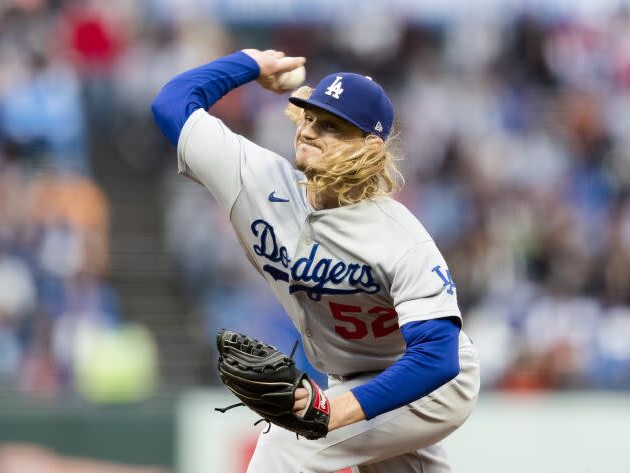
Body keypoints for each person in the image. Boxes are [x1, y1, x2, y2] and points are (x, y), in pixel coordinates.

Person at [151, 49, 480, 473]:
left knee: (288, 441)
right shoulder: (255, 179)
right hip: (351, 377)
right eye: (308, 118)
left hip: (428, 384)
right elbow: (172, 103)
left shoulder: (400, 238)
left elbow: (437, 356)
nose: (309, 132)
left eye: (330, 127)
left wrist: (334, 410)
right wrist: (250, 63)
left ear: (369, 148)